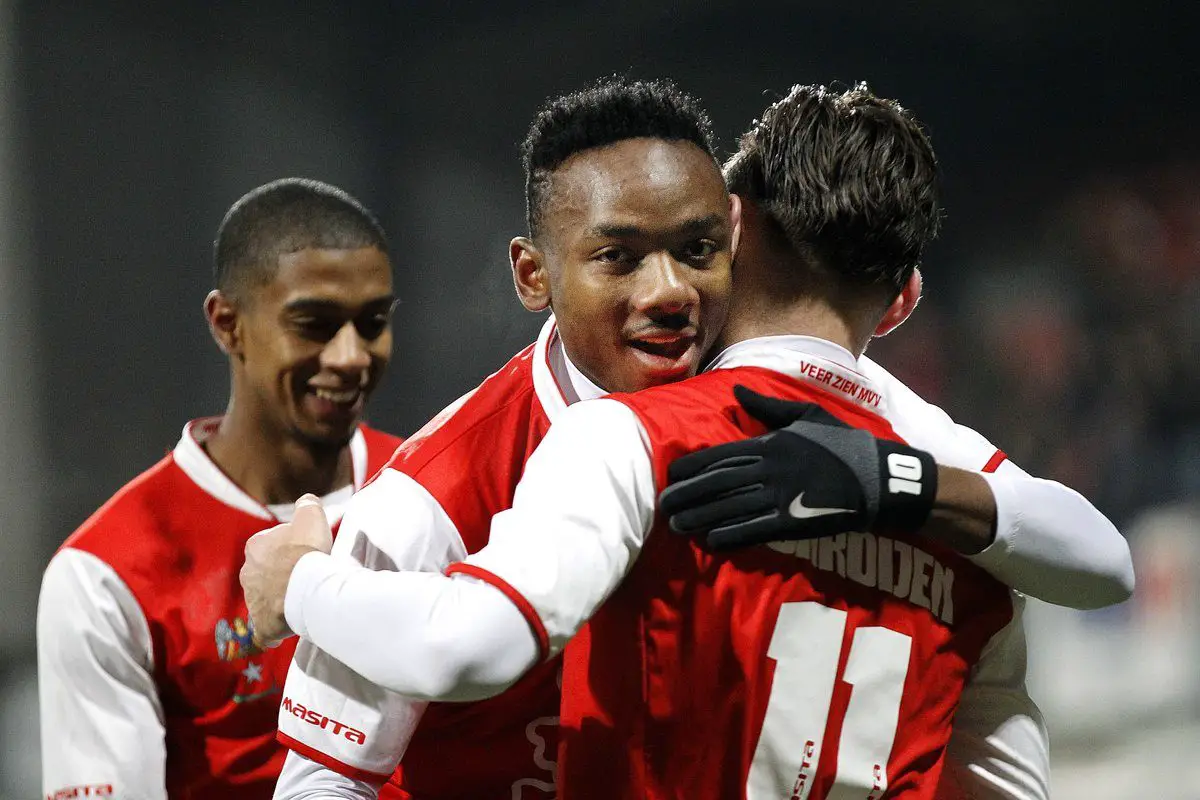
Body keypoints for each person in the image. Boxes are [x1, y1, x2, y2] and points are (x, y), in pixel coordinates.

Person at [248, 82, 1132, 798]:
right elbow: (326, 780)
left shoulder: (864, 434)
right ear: (534, 274)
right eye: (619, 257)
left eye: (696, 249)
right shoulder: (435, 491)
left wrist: (894, 482)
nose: (669, 290)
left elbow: (1098, 554)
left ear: (735, 238)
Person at [37, 178, 405, 800]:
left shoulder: (437, 487)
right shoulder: (104, 575)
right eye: (314, 325)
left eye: (372, 324)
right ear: (228, 324)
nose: (350, 356)